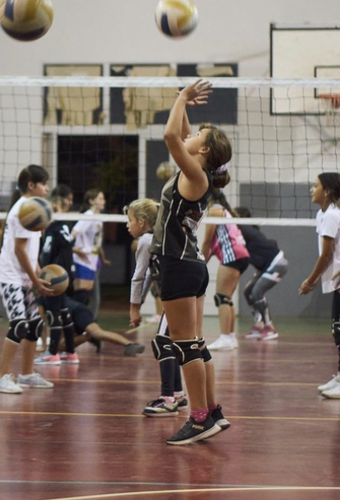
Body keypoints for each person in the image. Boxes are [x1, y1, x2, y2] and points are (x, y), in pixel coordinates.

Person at [151, 80, 232, 445]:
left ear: (205, 150)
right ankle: (212, 410)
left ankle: (199, 419)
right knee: (196, 344)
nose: (192, 134)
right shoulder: (198, 173)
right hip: (191, 264)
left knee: (184, 345)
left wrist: (183, 98)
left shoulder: (196, 175)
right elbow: (183, 135)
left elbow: (171, 137)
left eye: (200, 135)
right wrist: (181, 101)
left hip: (178, 264)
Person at [0, 165, 55, 394]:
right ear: (31, 185)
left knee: (35, 325)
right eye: (44, 184)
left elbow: (29, 251)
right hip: (10, 276)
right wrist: (36, 280)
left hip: (24, 276)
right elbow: (19, 250)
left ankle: (26, 374)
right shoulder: (25, 210)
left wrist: (38, 274)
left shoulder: (33, 208)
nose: (47, 188)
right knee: (19, 325)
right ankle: (1, 378)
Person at [125, 198, 186, 416]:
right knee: (171, 343)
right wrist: (139, 304)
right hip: (185, 291)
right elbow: (150, 275)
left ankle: (167, 399)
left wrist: (134, 308)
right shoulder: (162, 236)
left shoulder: (145, 240)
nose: (127, 225)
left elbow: (139, 276)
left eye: (130, 220)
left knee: (163, 343)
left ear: (142, 222)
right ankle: (178, 394)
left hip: (178, 294)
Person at [299, 173, 340, 399]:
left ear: (327, 191)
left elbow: (326, 255)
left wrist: (310, 281)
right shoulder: (323, 214)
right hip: (335, 280)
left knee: (339, 330)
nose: (311, 189)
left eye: (316, 186)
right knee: (337, 330)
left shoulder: (333, 214)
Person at [34, 185, 79, 365]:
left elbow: (47, 253)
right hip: (65, 273)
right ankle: (70, 351)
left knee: (53, 312)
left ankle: (52, 353)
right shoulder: (64, 225)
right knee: (64, 311)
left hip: (54, 275)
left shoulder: (54, 227)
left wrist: (42, 274)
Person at [202, 190, 250, 351]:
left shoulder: (214, 210)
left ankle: (225, 338)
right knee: (226, 298)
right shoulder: (225, 210)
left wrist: (199, 263)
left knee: (221, 297)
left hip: (233, 255)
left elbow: (207, 241)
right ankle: (230, 337)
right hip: (241, 255)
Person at [235, 207, 288, 341]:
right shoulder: (244, 232)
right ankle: (259, 325)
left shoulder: (244, 229)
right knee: (248, 291)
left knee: (257, 292)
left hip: (277, 264)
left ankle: (270, 327)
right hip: (266, 266)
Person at [71, 189, 108, 308]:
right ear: (91, 201)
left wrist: (103, 258)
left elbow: (97, 243)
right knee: (81, 296)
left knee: (87, 297)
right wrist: (72, 248)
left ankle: (84, 319)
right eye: (100, 199)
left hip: (92, 261)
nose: (103, 201)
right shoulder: (88, 216)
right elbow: (74, 232)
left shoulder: (98, 218)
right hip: (82, 261)